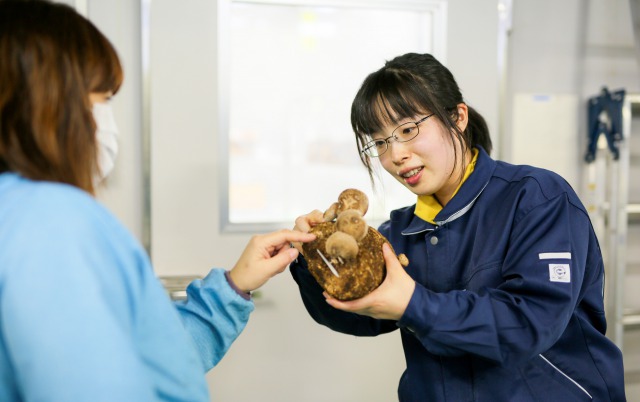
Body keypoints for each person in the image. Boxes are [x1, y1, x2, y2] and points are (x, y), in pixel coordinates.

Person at [0, 1, 315, 401]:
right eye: (101, 100)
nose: (106, 123)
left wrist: (234, 286)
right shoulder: (51, 223)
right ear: (50, 103)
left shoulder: (22, 216)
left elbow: (142, 359)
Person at [290, 52, 626, 401]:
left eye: (407, 129)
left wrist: (413, 303)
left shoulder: (538, 198)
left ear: (458, 117)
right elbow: (361, 317)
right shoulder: (400, 230)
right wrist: (313, 259)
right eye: (380, 142)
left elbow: (530, 322)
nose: (395, 156)